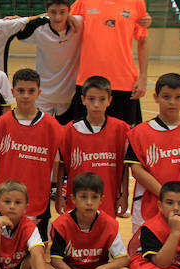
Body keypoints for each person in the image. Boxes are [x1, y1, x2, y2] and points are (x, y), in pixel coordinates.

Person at [68, 0, 149, 125]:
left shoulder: (137, 2)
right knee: (84, 135)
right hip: (88, 81)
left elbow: (143, 42)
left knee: (123, 137)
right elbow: (59, 16)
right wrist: (24, 19)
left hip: (124, 82)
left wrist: (143, 77)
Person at [126, 72, 180, 230]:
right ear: (156, 97)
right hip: (148, 205)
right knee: (146, 245)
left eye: (178, 97)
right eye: (166, 97)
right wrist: (167, 197)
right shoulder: (139, 133)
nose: (172, 102)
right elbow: (137, 170)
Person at [0, 68, 63, 240]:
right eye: (21, 91)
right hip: (6, 203)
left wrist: (58, 195)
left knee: (38, 252)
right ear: (13, 92)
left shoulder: (53, 127)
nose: (26, 96)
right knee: (3, 251)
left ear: (39, 93)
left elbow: (59, 165)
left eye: (31, 91)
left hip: (38, 202)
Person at [46, 172, 133, 269]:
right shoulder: (62, 224)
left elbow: (123, 259)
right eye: (83, 197)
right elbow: (56, 261)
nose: (89, 202)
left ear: (101, 199)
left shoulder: (109, 224)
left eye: (94, 197)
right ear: (73, 199)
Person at [56, 75, 130, 218]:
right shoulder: (69, 130)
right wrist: (59, 195)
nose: (96, 104)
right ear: (83, 100)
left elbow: (126, 168)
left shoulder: (121, 130)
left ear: (109, 100)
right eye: (91, 99)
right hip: (76, 203)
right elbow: (61, 167)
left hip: (108, 201)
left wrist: (124, 196)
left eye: (102, 99)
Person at [17, 0, 83, 124]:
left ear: (69, 11)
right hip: (43, 95)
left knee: (64, 134)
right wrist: (19, 20)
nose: (58, 17)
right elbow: (18, 32)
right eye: (53, 12)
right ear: (47, 11)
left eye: (62, 12)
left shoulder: (79, 24)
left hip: (68, 95)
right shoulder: (38, 28)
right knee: (41, 132)